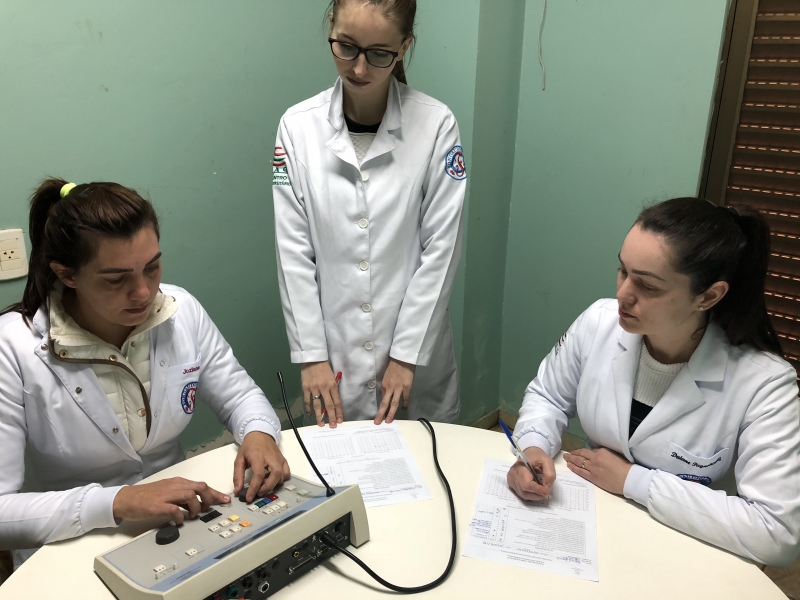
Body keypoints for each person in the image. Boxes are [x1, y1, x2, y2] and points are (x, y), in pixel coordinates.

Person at [0, 179, 290, 566]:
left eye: (151, 268)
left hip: (181, 522)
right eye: (116, 279)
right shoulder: (12, 348)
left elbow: (240, 396)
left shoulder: (181, 311)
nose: (143, 292)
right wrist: (117, 501)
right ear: (67, 275)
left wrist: (259, 433)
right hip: (67, 547)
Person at [506, 198, 800, 567]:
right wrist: (533, 446)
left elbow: (777, 532)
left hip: (686, 549)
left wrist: (633, 481)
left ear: (708, 296)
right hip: (591, 521)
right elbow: (549, 396)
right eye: (622, 271)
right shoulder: (599, 323)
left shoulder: (765, 384)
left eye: (647, 285)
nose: (622, 294)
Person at [272, 0, 466, 427]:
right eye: (346, 47)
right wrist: (311, 355)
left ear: (404, 46)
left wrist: (406, 355)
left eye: (379, 54)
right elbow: (293, 252)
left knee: (427, 461)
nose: (359, 68)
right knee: (342, 465)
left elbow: (442, 250)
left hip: (415, 360)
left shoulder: (436, 125)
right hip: (334, 355)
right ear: (331, 27)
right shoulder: (297, 128)